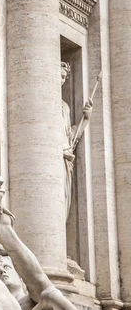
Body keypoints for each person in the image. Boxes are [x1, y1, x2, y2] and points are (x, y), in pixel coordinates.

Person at [61, 62, 93, 221]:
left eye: (65, 77)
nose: (62, 81)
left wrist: (86, 119)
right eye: (60, 76)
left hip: (65, 156)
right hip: (55, 157)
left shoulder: (64, 107)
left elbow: (69, 135)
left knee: (64, 198)